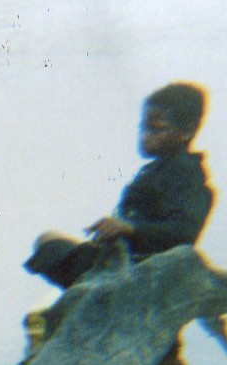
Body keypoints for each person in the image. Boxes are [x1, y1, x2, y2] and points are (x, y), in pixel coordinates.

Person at [26, 83, 216, 293]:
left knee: (50, 246)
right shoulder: (159, 169)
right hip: (119, 261)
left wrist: (128, 228)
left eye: (156, 129)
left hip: (137, 270)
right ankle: (90, 296)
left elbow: (184, 232)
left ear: (186, 131)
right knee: (47, 241)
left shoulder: (184, 170)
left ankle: (96, 299)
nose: (145, 136)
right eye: (143, 127)